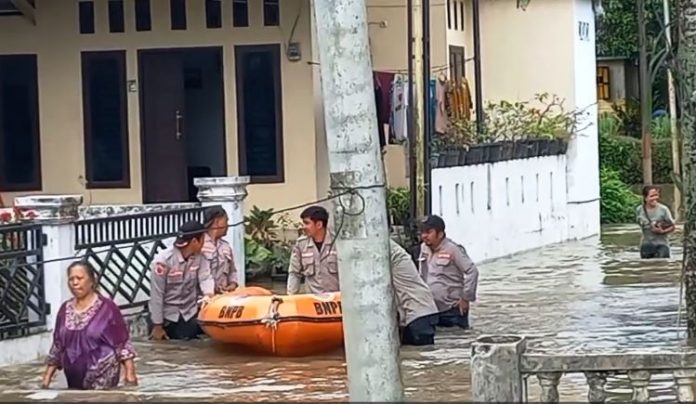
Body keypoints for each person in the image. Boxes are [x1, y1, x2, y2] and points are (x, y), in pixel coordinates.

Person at [42, 261, 137, 390]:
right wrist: (46, 380)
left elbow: (123, 343)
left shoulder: (108, 308)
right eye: (71, 279)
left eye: (79, 278)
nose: (75, 283)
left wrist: (130, 375)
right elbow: (57, 346)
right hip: (74, 382)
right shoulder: (64, 310)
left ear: (92, 281)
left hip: (103, 381)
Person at [148, 221, 214, 341]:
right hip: (168, 318)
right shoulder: (163, 262)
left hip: (189, 314)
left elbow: (205, 277)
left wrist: (208, 295)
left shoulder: (200, 257)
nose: (204, 243)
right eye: (203, 239)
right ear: (195, 241)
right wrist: (157, 326)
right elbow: (157, 295)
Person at [418, 215, 479, 329]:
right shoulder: (424, 248)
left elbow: (472, 271)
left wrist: (465, 298)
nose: (424, 236)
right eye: (422, 232)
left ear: (440, 234)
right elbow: (422, 275)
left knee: (457, 340)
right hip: (432, 309)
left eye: (428, 232)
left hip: (453, 309)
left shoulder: (453, 249)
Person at [389, 239, 440, 346]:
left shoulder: (381, 249)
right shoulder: (389, 248)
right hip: (418, 312)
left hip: (418, 313)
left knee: (421, 357)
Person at [287, 206, 339, 295]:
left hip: (336, 300)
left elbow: (348, 274)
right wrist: (290, 298)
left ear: (319, 224)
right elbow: (294, 273)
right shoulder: (301, 244)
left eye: (307, 223)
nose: (304, 227)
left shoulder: (338, 243)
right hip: (312, 301)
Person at [201, 206, 238, 294]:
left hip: (223, 298)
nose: (227, 225)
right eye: (226, 221)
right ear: (217, 221)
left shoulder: (226, 246)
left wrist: (232, 284)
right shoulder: (200, 245)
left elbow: (233, 271)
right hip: (204, 298)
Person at [636, 185, 676, 259]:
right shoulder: (639, 210)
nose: (655, 198)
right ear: (645, 198)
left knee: (662, 266)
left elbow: (673, 226)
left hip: (662, 245)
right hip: (646, 245)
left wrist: (662, 231)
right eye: (652, 196)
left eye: (656, 195)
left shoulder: (664, 209)